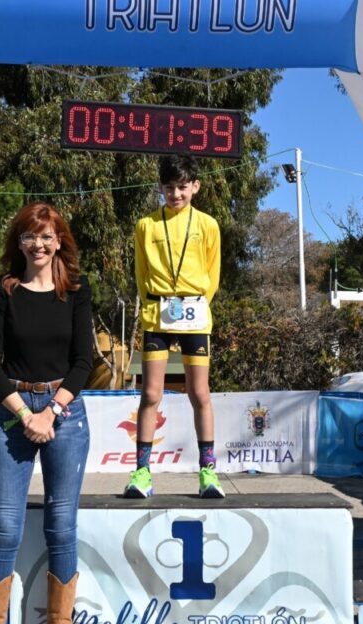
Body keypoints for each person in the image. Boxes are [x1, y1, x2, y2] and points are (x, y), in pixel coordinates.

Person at [0, 202, 93, 624]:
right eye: (29, 236)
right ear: (18, 242)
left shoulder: (77, 292)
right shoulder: (1, 290)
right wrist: (26, 414)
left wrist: (53, 411)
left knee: (61, 527)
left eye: (46, 236)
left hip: (66, 414)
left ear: (59, 239)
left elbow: (84, 361)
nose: (38, 245)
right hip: (12, 414)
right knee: (4, 527)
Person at [124, 154, 223, 499]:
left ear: (195, 186)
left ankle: (208, 471)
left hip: (195, 314)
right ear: (160, 188)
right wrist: (158, 303)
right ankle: (141, 473)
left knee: (200, 393)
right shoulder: (145, 225)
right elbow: (140, 274)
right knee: (151, 393)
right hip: (157, 314)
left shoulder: (208, 224)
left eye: (182, 187)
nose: (176, 194)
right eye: (169, 188)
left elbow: (213, 274)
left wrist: (196, 306)